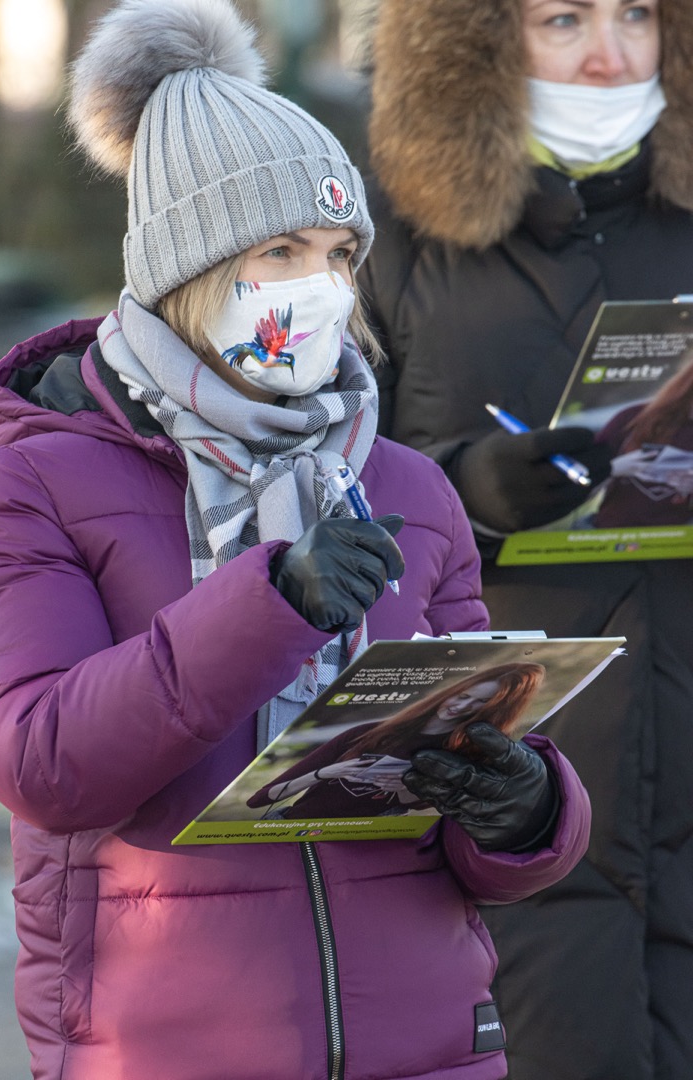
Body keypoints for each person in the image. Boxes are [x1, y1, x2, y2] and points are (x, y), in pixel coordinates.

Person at [0, 2, 591, 1078]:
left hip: (431, 1049)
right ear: (190, 267)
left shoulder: (404, 486)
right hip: (170, 1048)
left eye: (340, 252)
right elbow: (40, 761)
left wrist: (526, 806)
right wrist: (274, 604)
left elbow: (482, 839)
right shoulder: (39, 474)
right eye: (282, 249)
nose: (321, 286)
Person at [358, 1, 693, 1079]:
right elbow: (316, 500)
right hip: (508, 803)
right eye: (564, 18)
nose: (610, 54)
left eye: (638, 14)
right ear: (476, 41)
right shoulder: (389, 241)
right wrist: (468, 488)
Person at [250, 663, 547, 818]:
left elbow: (425, 819)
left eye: (479, 705)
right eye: (464, 695)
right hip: (292, 825)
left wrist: (407, 788)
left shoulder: (462, 756)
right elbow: (260, 799)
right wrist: (325, 773)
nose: (462, 707)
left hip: (373, 851)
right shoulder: (369, 732)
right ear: (451, 691)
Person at [594, 356, 693, 526]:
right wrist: (614, 468)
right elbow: (579, 476)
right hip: (606, 530)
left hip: (674, 537)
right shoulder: (634, 417)